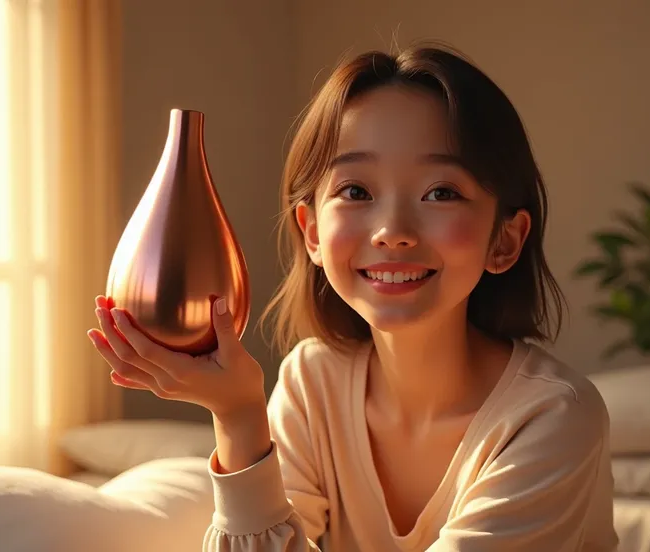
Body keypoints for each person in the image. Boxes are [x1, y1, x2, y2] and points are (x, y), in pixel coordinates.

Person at [88, 43, 619, 551]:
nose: (392, 231)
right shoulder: (313, 381)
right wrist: (237, 417)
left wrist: (244, 423)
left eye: (441, 192)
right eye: (356, 191)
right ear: (313, 232)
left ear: (504, 240)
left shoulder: (553, 416)